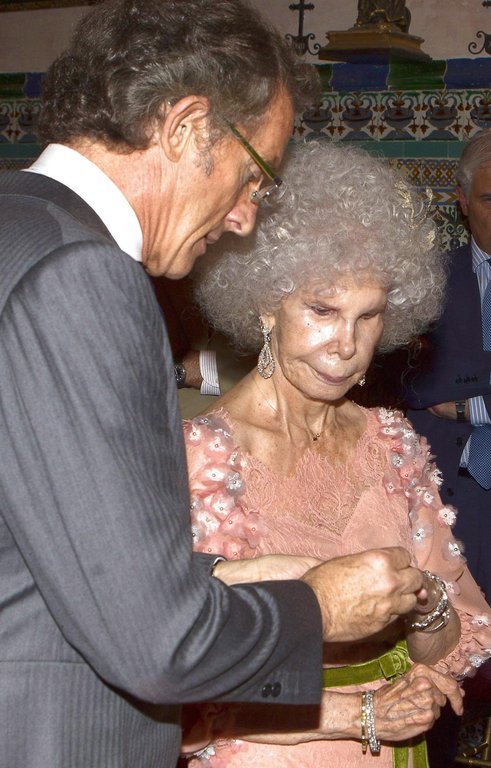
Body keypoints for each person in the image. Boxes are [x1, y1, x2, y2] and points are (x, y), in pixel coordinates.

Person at [0, 2, 428, 767]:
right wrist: (318, 608)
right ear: (187, 127)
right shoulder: (84, 273)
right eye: (253, 175)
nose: (243, 220)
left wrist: (222, 576)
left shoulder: (17, 227)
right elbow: (156, 647)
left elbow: (36, 556)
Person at [181, 141, 491, 767]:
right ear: (265, 303)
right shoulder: (197, 458)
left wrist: (425, 605)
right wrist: (361, 714)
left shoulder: (392, 442)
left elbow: (460, 636)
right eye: (322, 310)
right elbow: (177, 685)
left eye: (368, 316)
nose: (346, 345)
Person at [405, 128, 491, 605]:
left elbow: (443, 393)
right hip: (449, 489)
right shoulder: (429, 277)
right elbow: (409, 384)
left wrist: (469, 405)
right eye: (489, 200)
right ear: (462, 200)